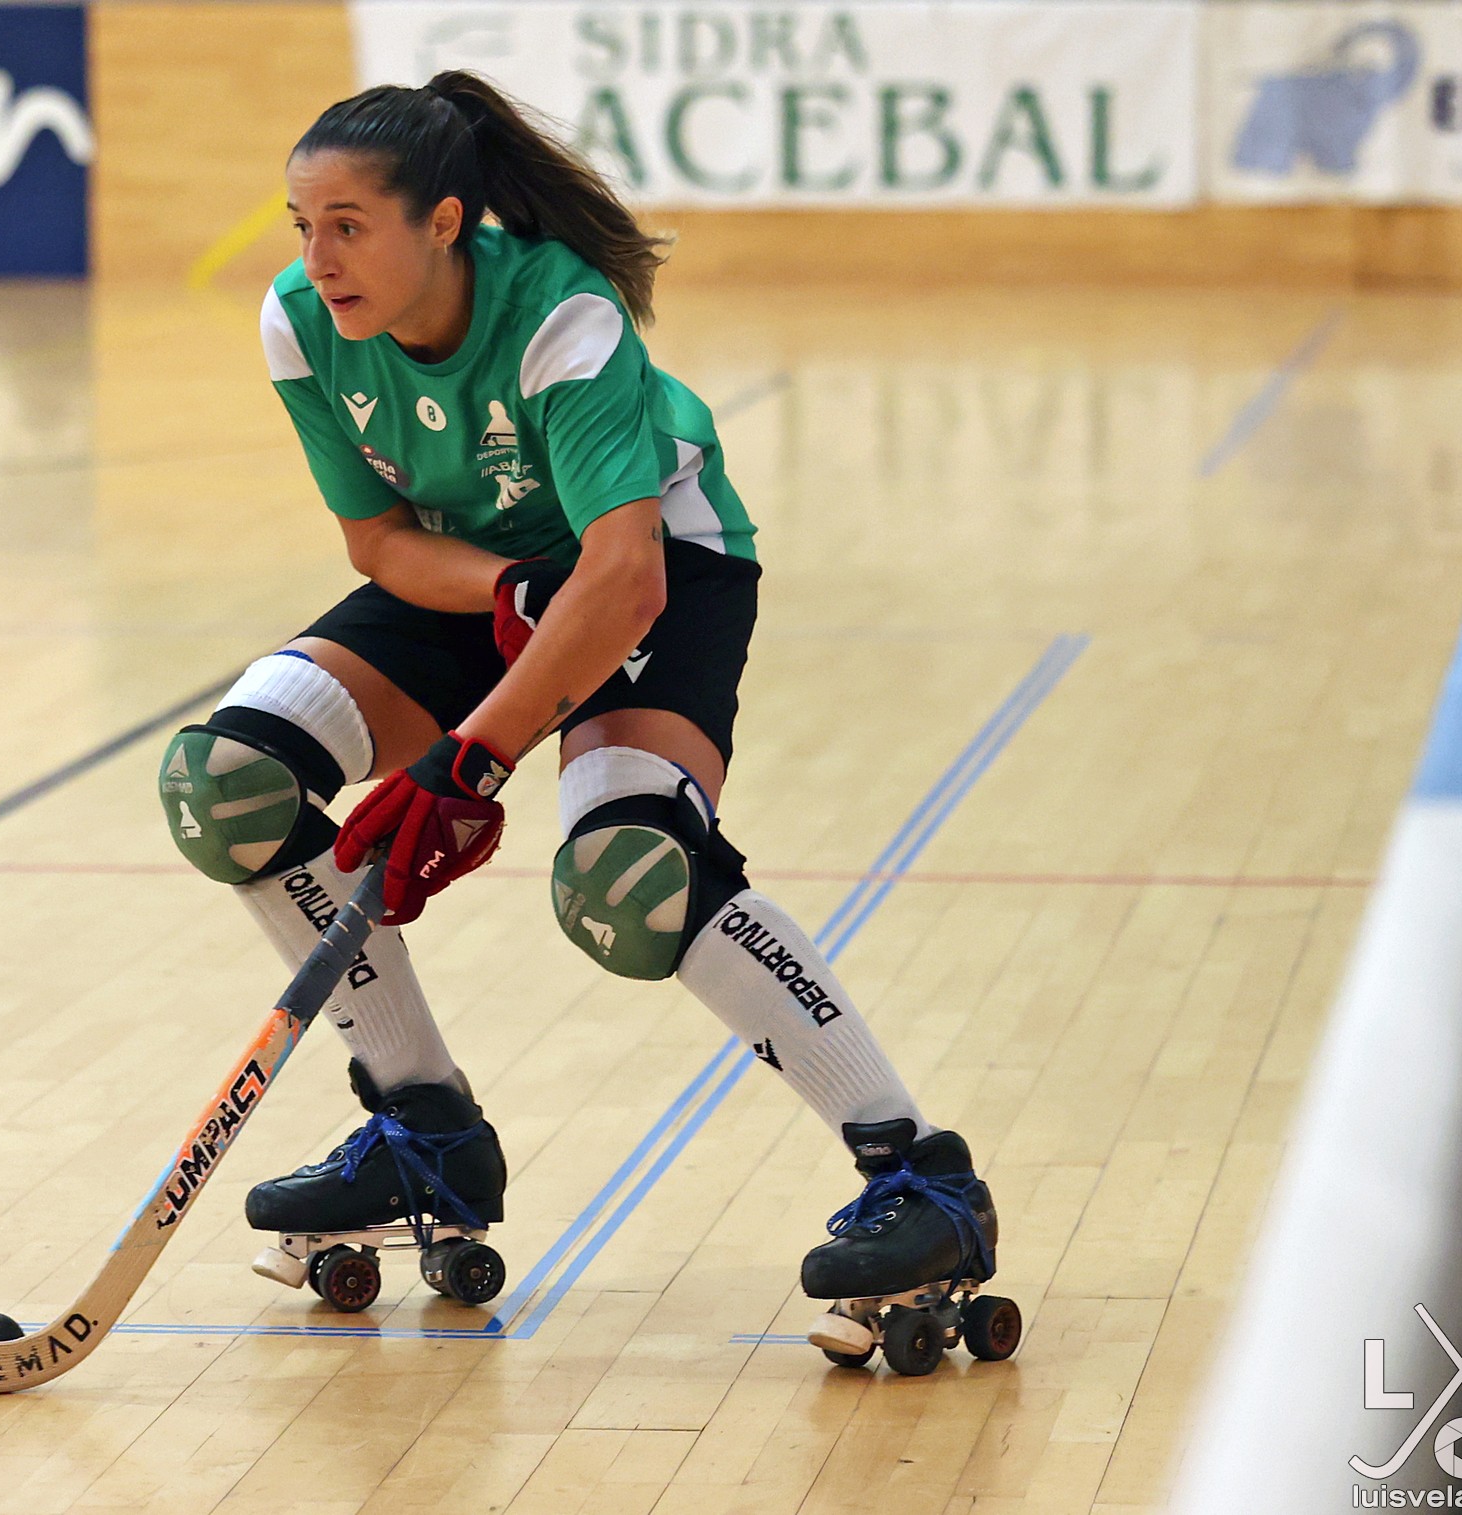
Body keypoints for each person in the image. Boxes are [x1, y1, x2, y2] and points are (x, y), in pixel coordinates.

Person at [156, 71, 998, 1324]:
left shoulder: (563, 317)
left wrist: (468, 760)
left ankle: (916, 1176)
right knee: (228, 784)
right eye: (301, 225)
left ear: (443, 221)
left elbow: (620, 579)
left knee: (628, 878)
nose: (318, 257)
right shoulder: (301, 323)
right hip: (476, 573)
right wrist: (502, 589)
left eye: (348, 224)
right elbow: (380, 545)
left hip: (657, 565)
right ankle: (419, 1129)